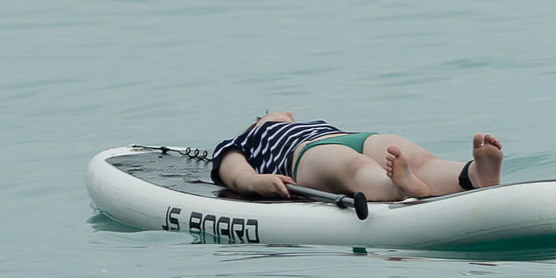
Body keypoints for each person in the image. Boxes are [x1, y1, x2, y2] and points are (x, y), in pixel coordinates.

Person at [210, 111, 503, 202]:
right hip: (302, 156)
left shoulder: (312, 124)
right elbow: (236, 174)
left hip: (353, 138)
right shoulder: (243, 141)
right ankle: (397, 186)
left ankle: (472, 175)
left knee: (422, 160)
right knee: (356, 167)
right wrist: (256, 182)